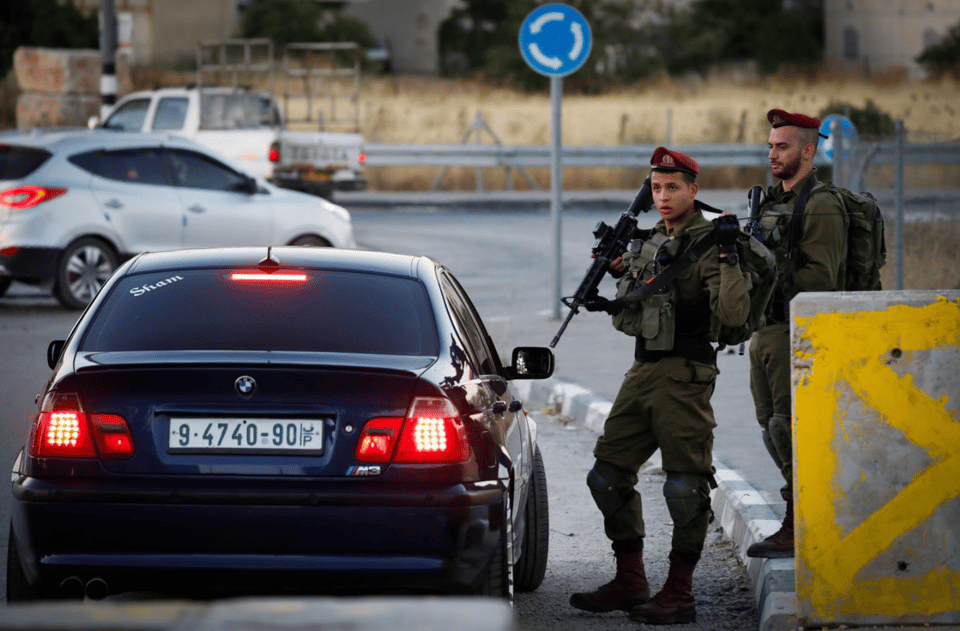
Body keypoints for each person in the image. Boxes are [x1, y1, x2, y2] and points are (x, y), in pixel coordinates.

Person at [569, 147, 751, 625]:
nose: (664, 196)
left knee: (684, 487)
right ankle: (630, 579)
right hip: (642, 372)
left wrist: (730, 254)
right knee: (606, 476)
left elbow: (733, 315)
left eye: (673, 187)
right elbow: (644, 288)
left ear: (694, 190)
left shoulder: (712, 241)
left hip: (686, 375)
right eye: (657, 188)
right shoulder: (651, 239)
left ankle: (680, 592)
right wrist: (616, 270)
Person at [746, 109, 847, 559]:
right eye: (770, 146)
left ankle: (803, 522)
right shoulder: (770, 201)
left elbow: (822, 278)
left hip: (795, 331)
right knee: (770, 427)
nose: (773, 153)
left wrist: (766, 277)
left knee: (791, 428)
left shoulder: (820, 204)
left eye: (782, 146)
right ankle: (800, 513)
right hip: (764, 330)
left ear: (808, 151)